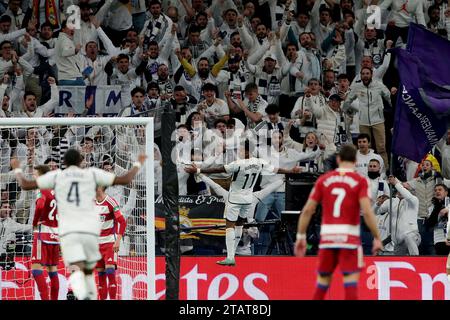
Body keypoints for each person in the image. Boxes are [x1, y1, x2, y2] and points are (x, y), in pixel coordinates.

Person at [11, 149, 147, 300]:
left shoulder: (57, 176)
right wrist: (138, 163)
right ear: (80, 162)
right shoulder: (91, 174)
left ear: (64, 163)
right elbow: (126, 179)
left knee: (70, 268)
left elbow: (25, 184)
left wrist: (17, 167)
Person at [185, 140, 301, 266]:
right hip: (248, 199)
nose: (239, 152)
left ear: (247, 151)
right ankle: (233, 253)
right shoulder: (259, 162)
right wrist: (290, 172)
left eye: (240, 150)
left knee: (229, 226)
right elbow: (276, 170)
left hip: (235, 198)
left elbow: (218, 169)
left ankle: (230, 257)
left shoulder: (238, 163)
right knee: (240, 225)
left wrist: (198, 171)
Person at [294, 144, 383, 300]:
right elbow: (368, 212)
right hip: (349, 240)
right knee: (350, 284)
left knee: (322, 285)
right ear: (355, 161)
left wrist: (301, 237)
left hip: (328, 240)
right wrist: (376, 237)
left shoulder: (324, 180)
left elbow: (307, 210)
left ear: (338, 159)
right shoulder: (360, 181)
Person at [31, 164, 60, 300]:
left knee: (36, 269)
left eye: (35, 174)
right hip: (55, 235)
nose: (33, 176)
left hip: (42, 234)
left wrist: (35, 221)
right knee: (52, 270)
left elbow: (41, 205)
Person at [95, 186, 127, 300]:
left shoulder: (110, 202)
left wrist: (117, 241)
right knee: (101, 277)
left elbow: (122, 222)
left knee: (110, 272)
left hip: (109, 243)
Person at [375, 176, 421, 255]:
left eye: (404, 188)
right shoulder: (391, 202)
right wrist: (377, 204)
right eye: (400, 188)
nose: (401, 190)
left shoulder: (413, 200)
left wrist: (396, 183)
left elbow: (408, 196)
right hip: (397, 242)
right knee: (398, 263)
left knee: (408, 236)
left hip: (413, 237)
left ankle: (416, 259)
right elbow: (376, 212)